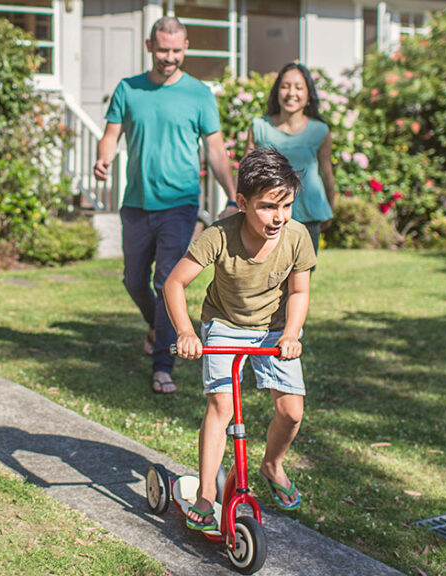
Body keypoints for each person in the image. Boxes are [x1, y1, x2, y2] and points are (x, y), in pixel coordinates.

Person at [163, 147, 315, 531]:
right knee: (221, 408)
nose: (279, 217)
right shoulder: (219, 235)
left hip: (275, 328)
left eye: (287, 206)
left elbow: (298, 293)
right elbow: (175, 283)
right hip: (225, 323)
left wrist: (292, 334)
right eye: (267, 207)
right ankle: (207, 495)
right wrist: (185, 331)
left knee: (292, 412)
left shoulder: (296, 237)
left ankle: (271, 464)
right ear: (242, 202)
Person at [93, 16, 237, 394]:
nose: (169, 57)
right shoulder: (128, 89)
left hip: (180, 203)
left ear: (185, 47)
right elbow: (110, 136)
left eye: (175, 50)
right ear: (149, 46)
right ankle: (158, 326)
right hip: (137, 202)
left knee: (165, 280)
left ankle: (163, 365)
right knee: (134, 280)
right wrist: (103, 158)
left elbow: (217, 151)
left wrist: (233, 195)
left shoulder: (199, 94)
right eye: (162, 50)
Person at [244, 62, 336, 254]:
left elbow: (326, 172)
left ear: (308, 94)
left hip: (309, 215)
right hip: (268, 215)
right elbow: (246, 171)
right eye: (285, 86)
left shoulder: (320, 131)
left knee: (302, 276)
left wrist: (329, 207)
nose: (291, 93)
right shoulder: (260, 127)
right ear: (277, 91)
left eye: (298, 87)